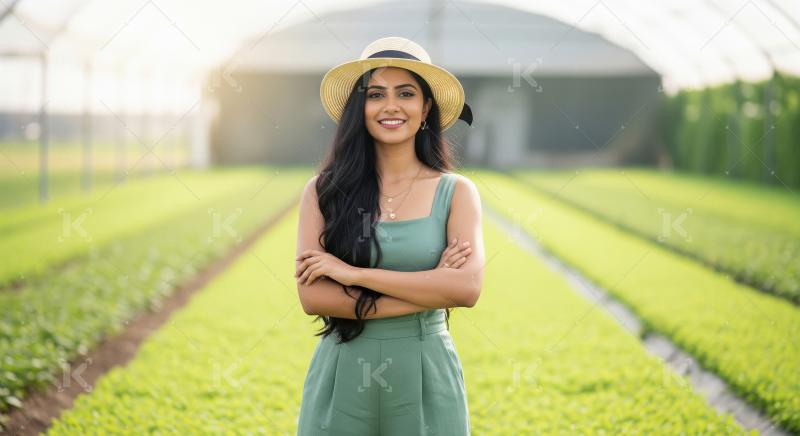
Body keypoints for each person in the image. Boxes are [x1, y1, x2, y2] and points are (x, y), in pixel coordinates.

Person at [294, 36, 484, 436]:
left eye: (406, 93)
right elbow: (313, 298)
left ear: (425, 107)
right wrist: (430, 287)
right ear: (359, 108)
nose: (391, 106)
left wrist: (353, 275)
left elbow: (465, 289)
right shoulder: (323, 192)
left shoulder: (457, 192)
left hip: (426, 372)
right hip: (343, 372)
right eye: (376, 94)